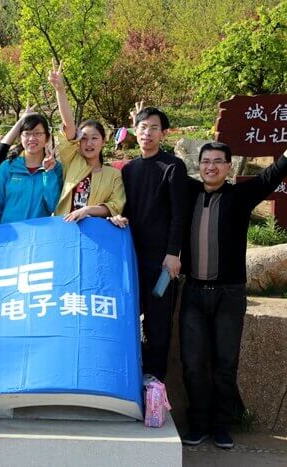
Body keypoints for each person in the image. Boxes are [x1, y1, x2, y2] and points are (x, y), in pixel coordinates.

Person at [179, 98, 287, 449]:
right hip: (193, 292)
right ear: (198, 166)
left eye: (218, 162)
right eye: (206, 161)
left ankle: (222, 425)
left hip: (229, 293)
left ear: (228, 167)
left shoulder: (241, 196)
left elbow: (280, 167)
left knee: (225, 363)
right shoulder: (187, 192)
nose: (211, 167)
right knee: (193, 363)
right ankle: (197, 423)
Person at [111, 105, 189, 384]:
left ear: (164, 133)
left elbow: (180, 214)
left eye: (154, 128)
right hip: (131, 259)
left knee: (157, 324)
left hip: (161, 262)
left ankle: (155, 386)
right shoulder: (129, 169)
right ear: (135, 130)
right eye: (143, 127)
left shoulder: (173, 167)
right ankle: (128, 380)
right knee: (128, 320)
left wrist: (173, 253)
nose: (147, 133)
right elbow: (122, 207)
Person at [48, 59, 124, 222]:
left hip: (94, 232)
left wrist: (88, 210)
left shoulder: (113, 175)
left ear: (103, 141)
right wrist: (60, 90)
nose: (89, 143)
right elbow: (69, 125)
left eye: (94, 138)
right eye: (84, 138)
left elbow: (115, 206)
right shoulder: (71, 160)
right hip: (65, 228)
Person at [0, 113, 63, 224]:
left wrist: (48, 173)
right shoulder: (8, 167)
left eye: (38, 133)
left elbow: (53, 206)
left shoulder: (55, 168)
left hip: (38, 233)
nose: (32, 138)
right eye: (27, 134)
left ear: (47, 138)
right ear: (20, 137)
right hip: (9, 232)